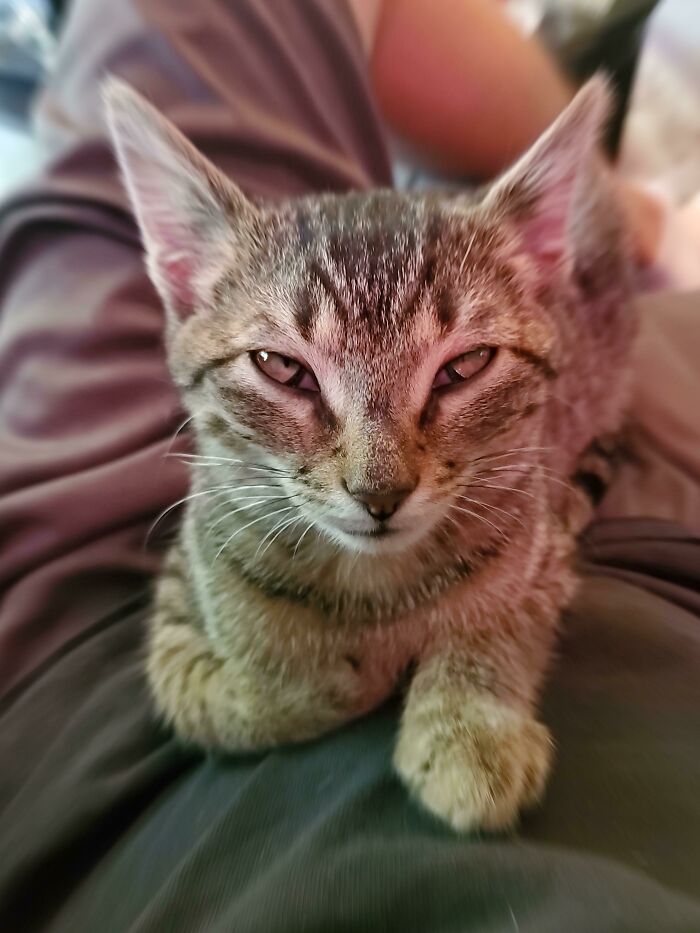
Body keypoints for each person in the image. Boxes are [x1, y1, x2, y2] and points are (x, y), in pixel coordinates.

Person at [1, 1, 698, 930]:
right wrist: (236, 701)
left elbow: (532, 561)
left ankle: (620, 209)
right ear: (180, 280)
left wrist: (466, 685)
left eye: (458, 369)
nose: (380, 478)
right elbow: (177, 615)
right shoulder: (228, 490)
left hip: (47, 663)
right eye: (286, 370)